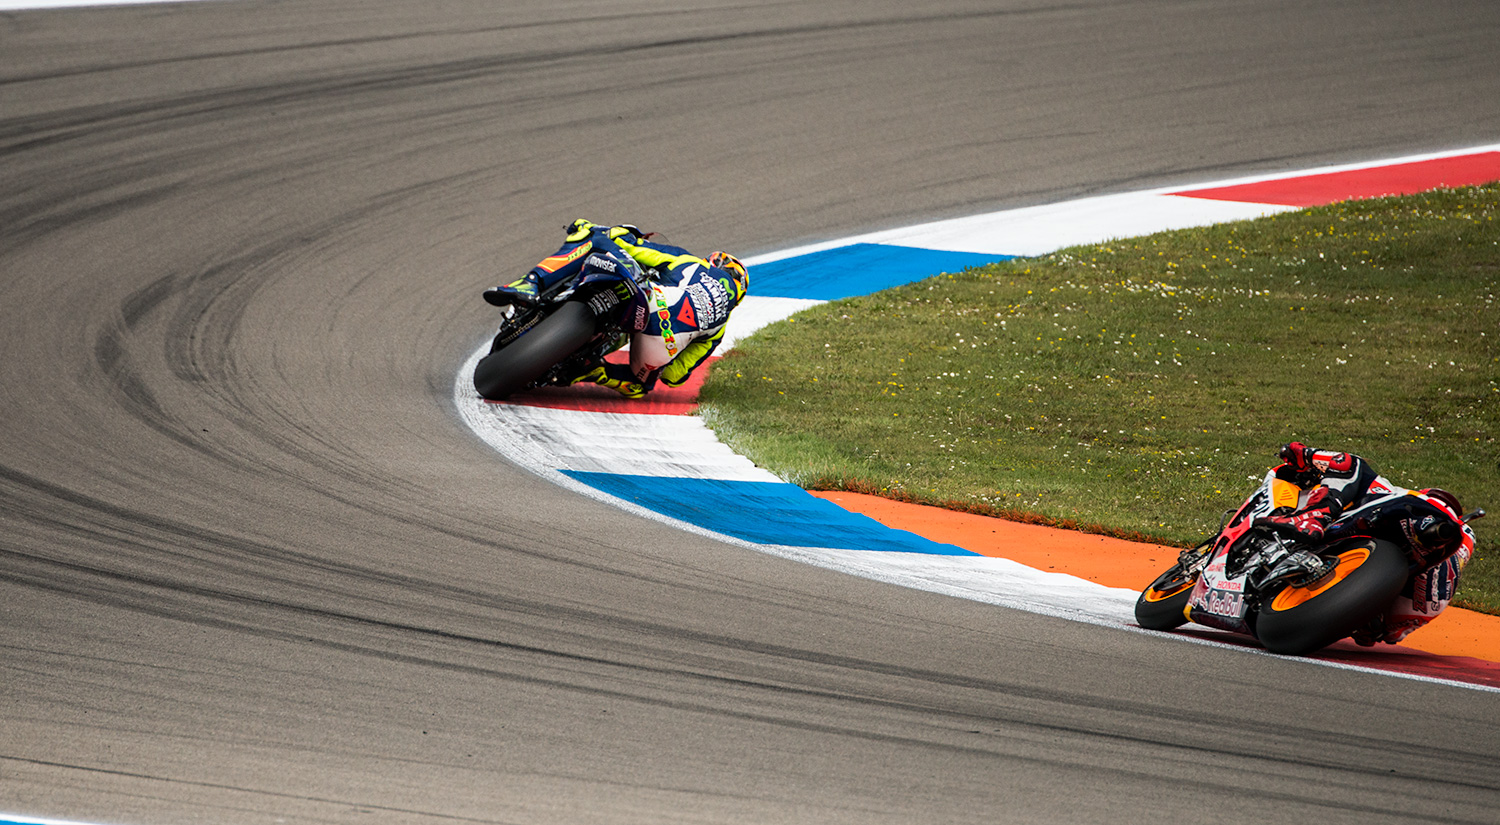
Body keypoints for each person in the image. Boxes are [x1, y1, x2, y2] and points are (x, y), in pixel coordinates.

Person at [487, 219, 748, 398]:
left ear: (713, 263)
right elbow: (674, 377)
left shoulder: (691, 263)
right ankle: (594, 370)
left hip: (651, 298)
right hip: (660, 344)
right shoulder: (720, 327)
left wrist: (613, 233)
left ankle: (530, 283)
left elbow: (635, 248)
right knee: (640, 385)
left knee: (592, 238)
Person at [1257, 442, 1476, 646]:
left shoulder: (1393, 492)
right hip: (1412, 590)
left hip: (1419, 535)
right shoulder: (1453, 553)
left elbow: (1344, 462)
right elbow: (1394, 633)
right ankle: (1373, 618)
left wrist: (1304, 454)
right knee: (1390, 628)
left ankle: (1315, 517)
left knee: (1349, 464)